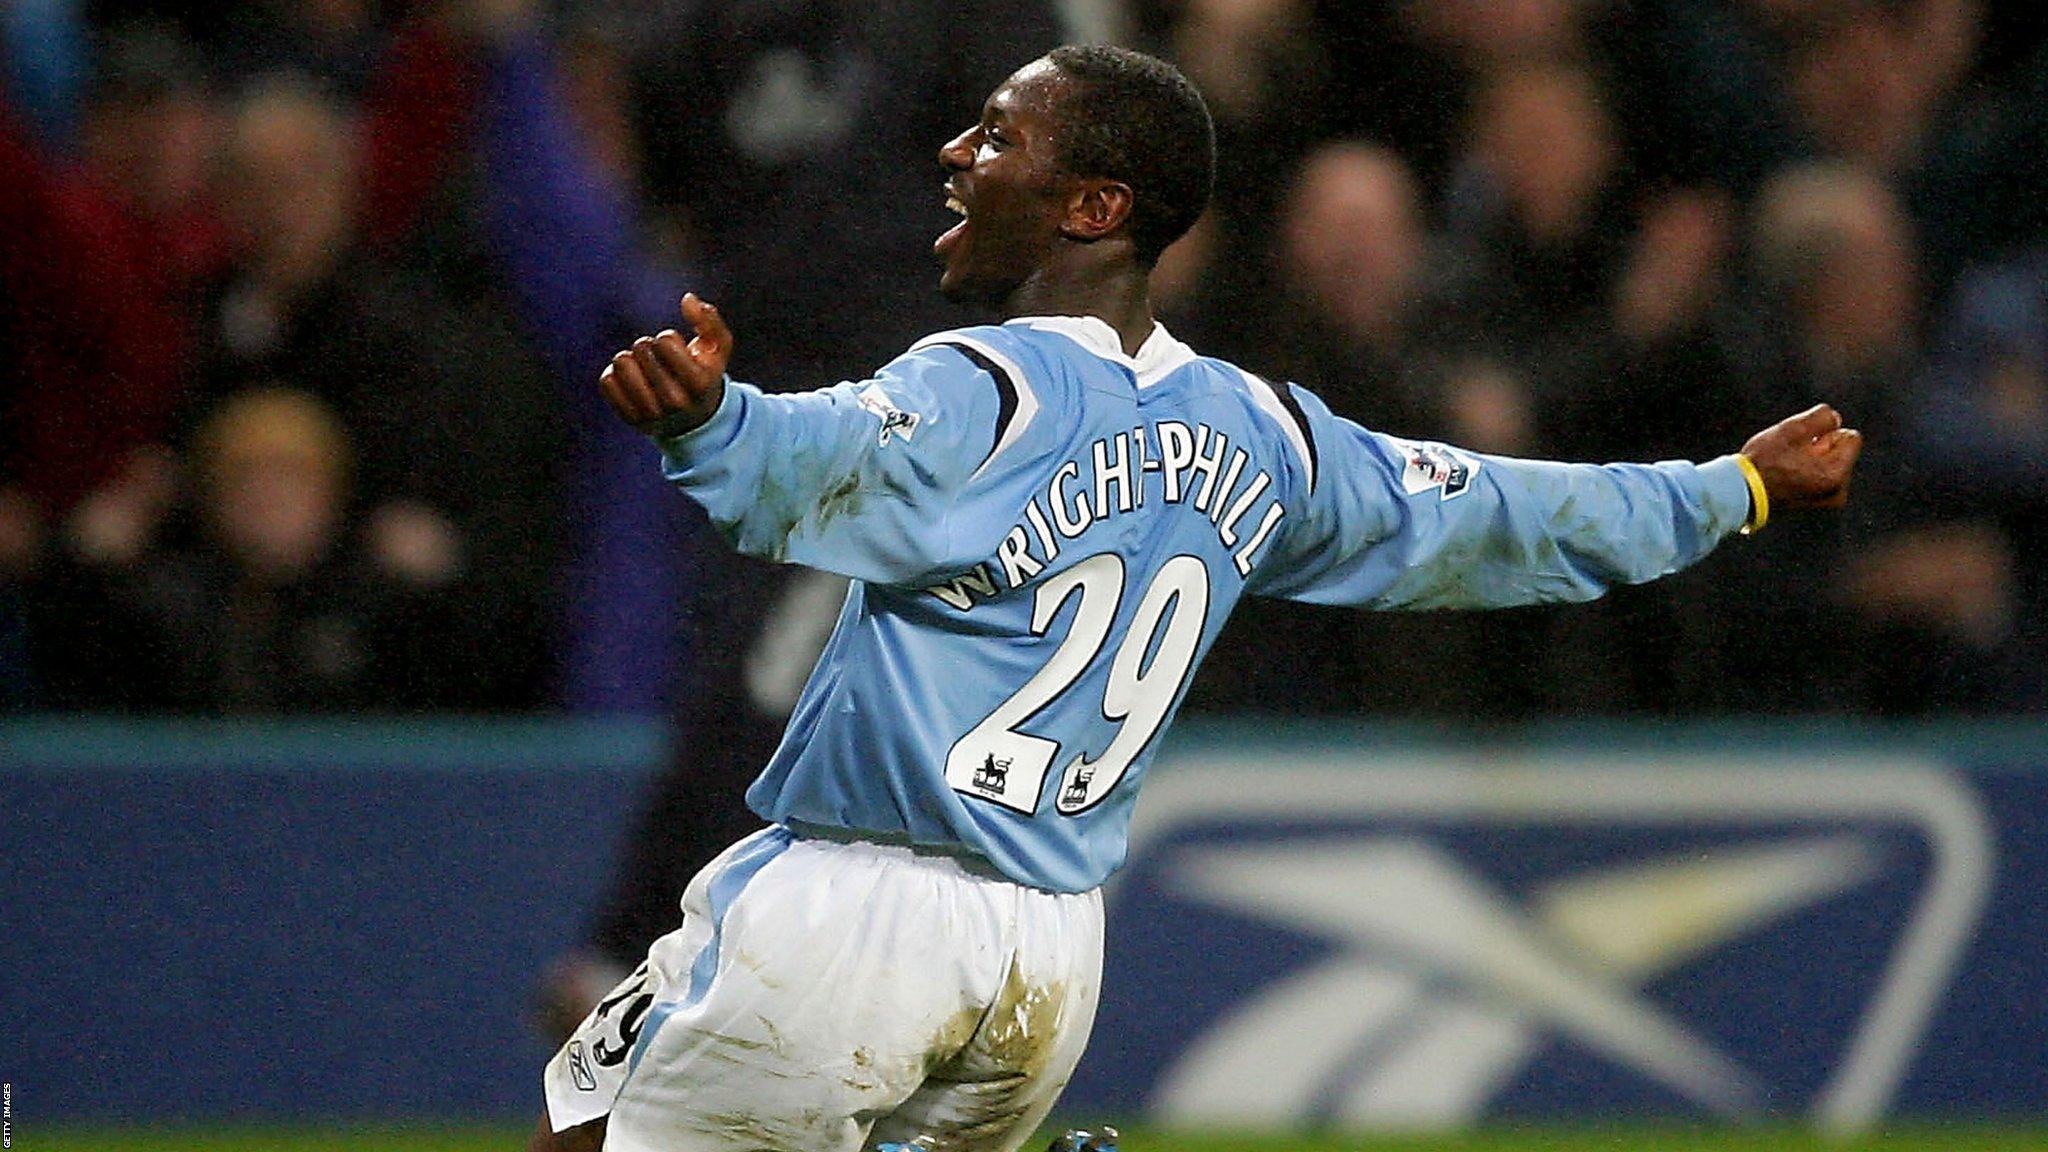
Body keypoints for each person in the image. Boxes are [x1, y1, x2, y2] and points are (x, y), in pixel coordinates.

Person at [533, 45, 1862, 1152]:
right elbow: (1504, 515)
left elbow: (809, 463)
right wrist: (1729, 488)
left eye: (999, 137)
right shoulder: (1261, 431)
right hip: (1048, 957)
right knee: (586, 1110)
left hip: (856, 912)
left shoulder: (976, 386)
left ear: (1094, 208)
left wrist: (714, 418)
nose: (956, 153)